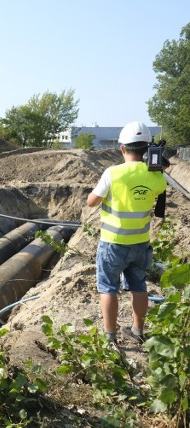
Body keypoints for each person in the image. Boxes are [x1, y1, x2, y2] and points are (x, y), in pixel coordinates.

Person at [86, 121, 167, 344]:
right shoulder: (156, 176)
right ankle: (138, 331)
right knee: (139, 286)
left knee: (108, 289)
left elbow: (91, 202)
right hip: (140, 242)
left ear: (122, 148)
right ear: (148, 149)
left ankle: (110, 336)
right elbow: (159, 188)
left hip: (113, 243)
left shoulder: (113, 173)